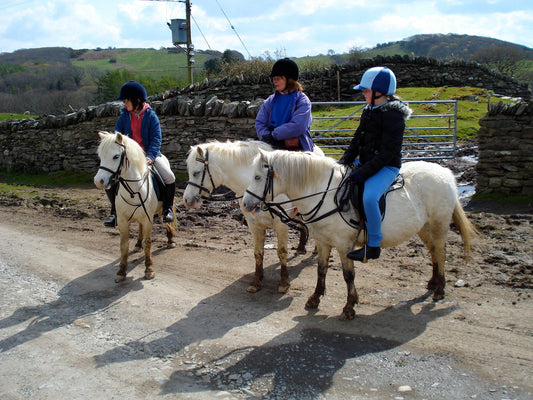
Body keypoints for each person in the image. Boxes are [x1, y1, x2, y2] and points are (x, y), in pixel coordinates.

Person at [338, 66, 412, 262]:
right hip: (364, 161)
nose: (363, 93)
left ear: (379, 92)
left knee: (370, 197)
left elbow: (388, 153)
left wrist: (363, 173)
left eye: (366, 90)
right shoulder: (369, 110)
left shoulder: (394, 116)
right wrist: (343, 163)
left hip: (386, 166)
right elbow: (357, 141)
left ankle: (373, 245)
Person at [103, 80, 176, 227]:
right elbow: (117, 139)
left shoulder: (151, 116)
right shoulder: (123, 117)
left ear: (137, 100)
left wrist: (150, 156)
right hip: (129, 158)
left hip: (150, 155)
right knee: (109, 180)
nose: (125, 104)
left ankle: (167, 209)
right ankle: (116, 213)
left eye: (127, 100)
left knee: (170, 177)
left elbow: (156, 139)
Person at [255, 58, 314, 151]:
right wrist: (266, 137)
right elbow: (260, 122)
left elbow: (298, 126)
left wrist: (273, 135)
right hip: (272, 146)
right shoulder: (269, 101)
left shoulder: (302, 101)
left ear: (289, 80)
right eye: (274, 79)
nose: (274, 82)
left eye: (278, 78)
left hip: (297, 149)